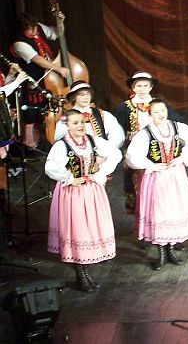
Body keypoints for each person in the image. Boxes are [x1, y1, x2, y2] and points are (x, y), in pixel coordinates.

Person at [45, 109, 121, 291]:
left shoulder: (93, 141)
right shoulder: (62, 145)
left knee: (91, 229)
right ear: (67, 126)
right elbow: (50, 167)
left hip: (92, 191)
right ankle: (81, 274)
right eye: (75, 123)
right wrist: (69, 178)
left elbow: (115, 154)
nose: (80, 126)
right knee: (78, 231)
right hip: (73, 194)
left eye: (82, 122)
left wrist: (101, 172)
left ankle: (85, 272)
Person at [125, 99, 188, 270]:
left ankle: (171, 249)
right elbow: (131, 156)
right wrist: (151, 165)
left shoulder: (177, 127)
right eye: (156, 112)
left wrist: (181, 158)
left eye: (162, 110)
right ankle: (161, 253)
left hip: (175, 176)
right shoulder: (145, 133)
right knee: (158, 212)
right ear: (150, 114)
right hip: (156, 177)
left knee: (173, 210)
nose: (160, 114)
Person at [115, 72, 179, 216]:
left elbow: (175, 121)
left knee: (158, 182)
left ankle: (160, 212)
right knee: (136, 180)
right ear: (133, 88)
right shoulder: (124, 107)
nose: (142, 89)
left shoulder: (158, 105)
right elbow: (118, 129)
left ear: (151, 87)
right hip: (135, 150)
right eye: (139, 86)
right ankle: (141, 214)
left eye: (145, 86)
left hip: (157, 148)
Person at [11, 12, 71, 147]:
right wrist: (58, 68)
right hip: (33, 80)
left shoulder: (39, 28)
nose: (34, 31)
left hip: (49, 78)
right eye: (29, 29)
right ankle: (30, 144)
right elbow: (37, 59)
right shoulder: (19, 44)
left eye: (34, 27)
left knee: (50, 106)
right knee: (32, 112)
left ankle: (52, 137)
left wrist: (60, 22)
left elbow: (56, 33)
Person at [54, 81, 125, 150]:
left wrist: (107, 151)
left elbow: (117, 136)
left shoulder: (103, 115)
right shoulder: (67, 118)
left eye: (88, 94)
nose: (86, 97)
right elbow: (60, 141)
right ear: (73, 97)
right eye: (82, 95)